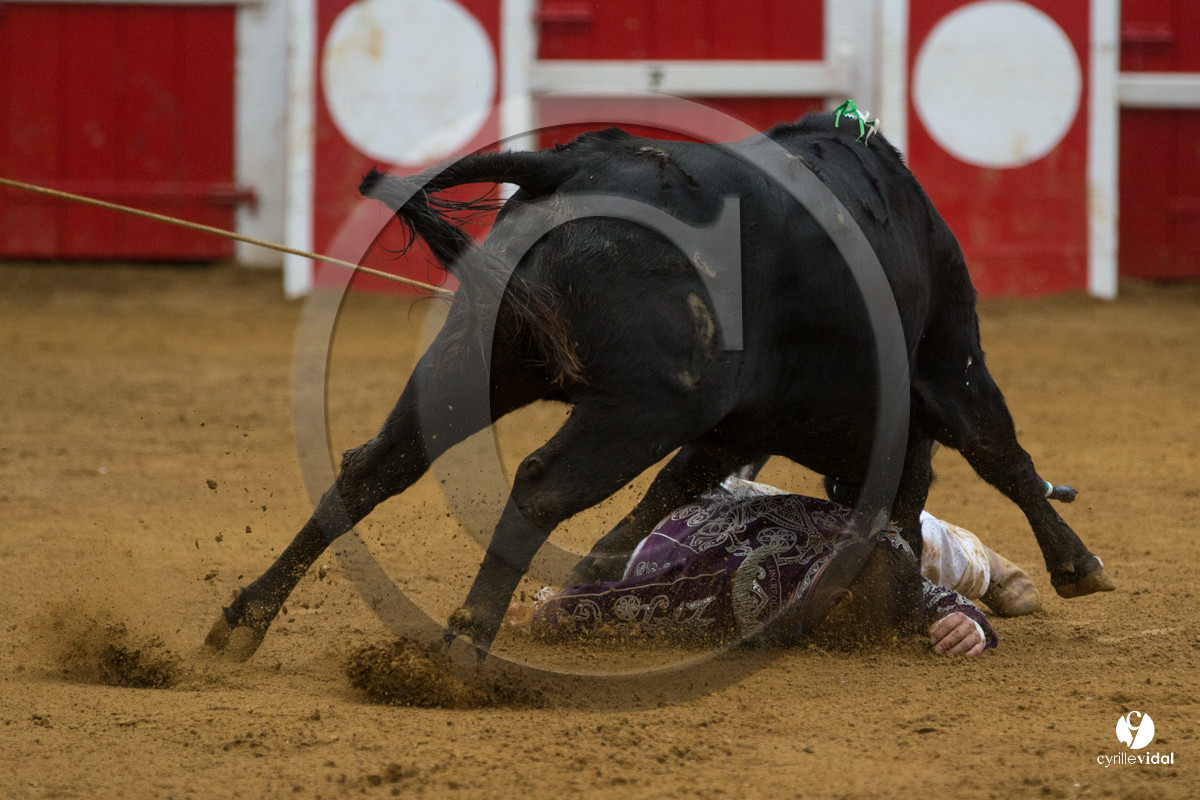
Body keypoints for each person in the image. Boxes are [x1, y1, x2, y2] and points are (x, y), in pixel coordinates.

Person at [508, 477, 1040, 657]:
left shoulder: (884, 568)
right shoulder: (753, 593)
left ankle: (987, 566)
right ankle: (983, 562)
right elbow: (650, 600)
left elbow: (936, 600)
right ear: (841, 602)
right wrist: (555, 610)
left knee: (917, 544)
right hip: (700, 518)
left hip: (782, 511)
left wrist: (973, 624)